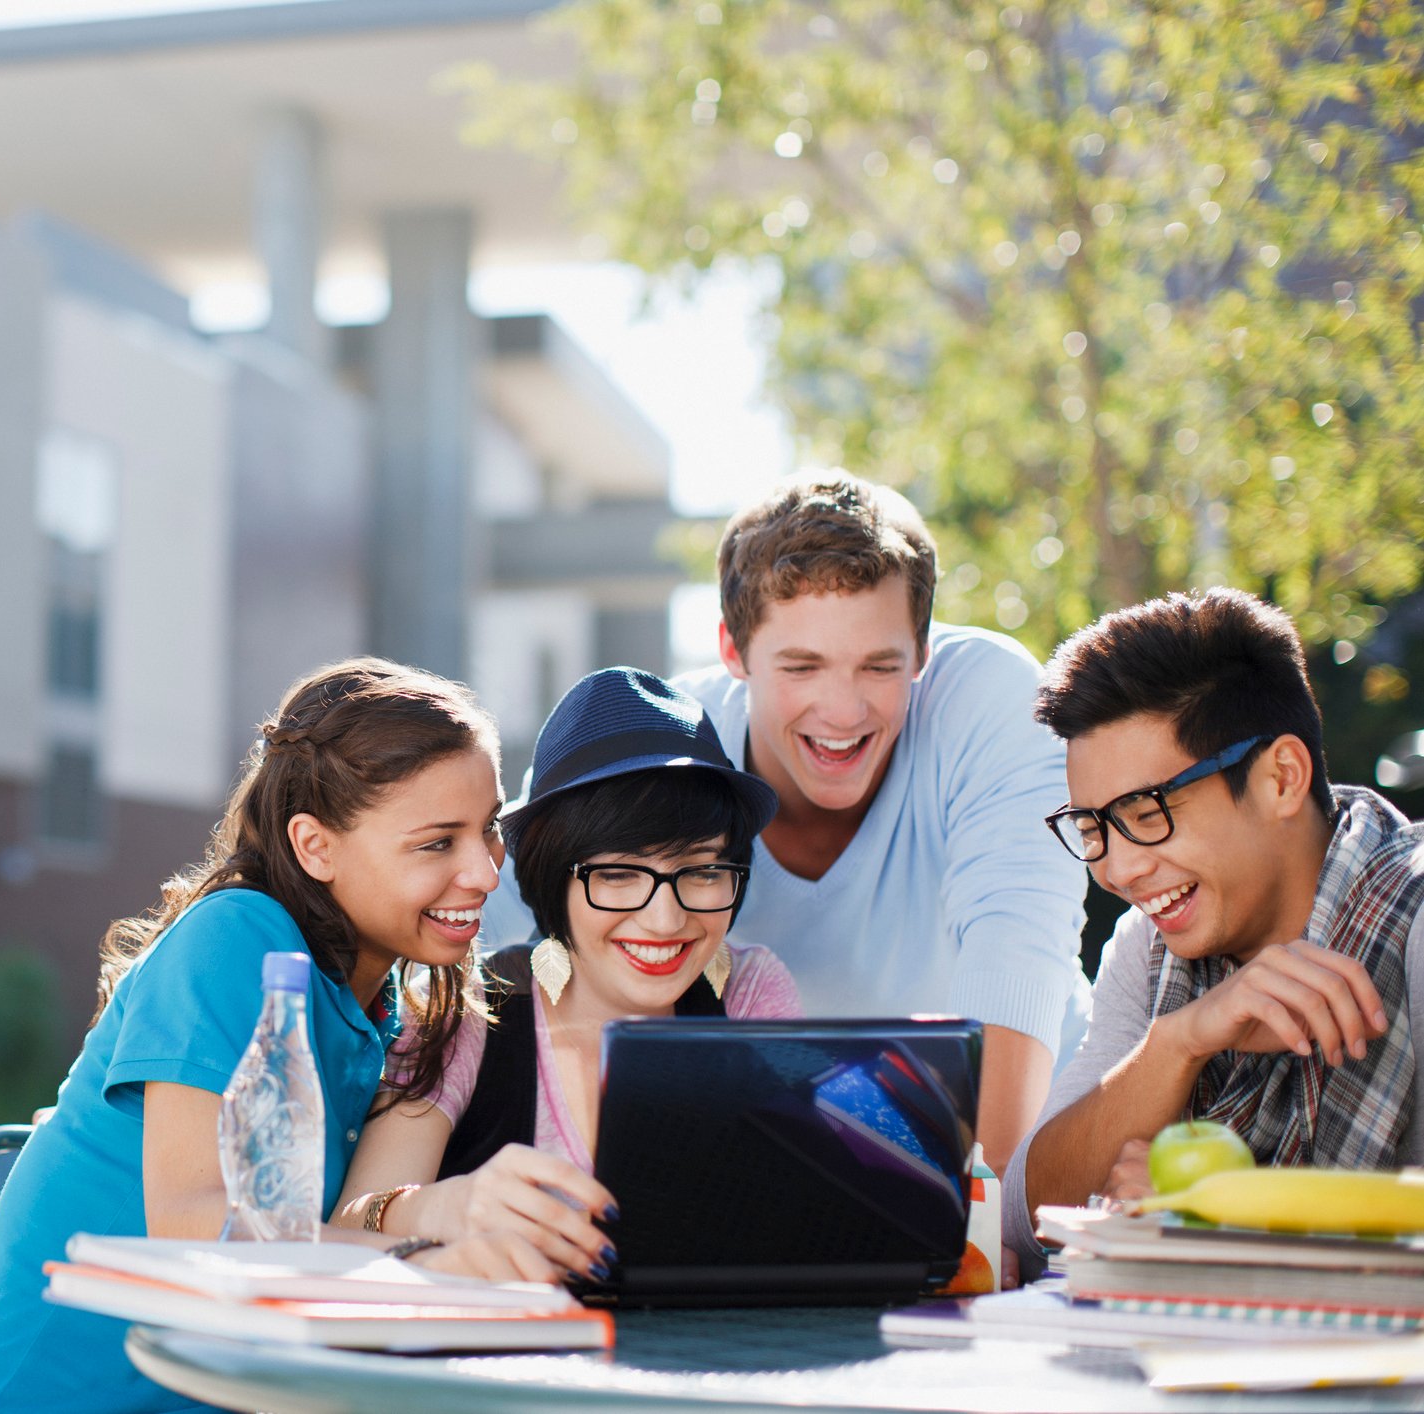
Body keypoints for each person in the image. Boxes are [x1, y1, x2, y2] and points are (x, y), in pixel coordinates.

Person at [0, 659, 556, 1414]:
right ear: (314, 846)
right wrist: (435, 1259)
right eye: (436, 844)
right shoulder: (237, 936)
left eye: (487, 832)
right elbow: (199, 1225)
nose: (484, 873)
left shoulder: (384, 1005)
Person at [484, 473, 1088, 1173]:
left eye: (879, 666)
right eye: (801, 666)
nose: (842, 711)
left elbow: (1016, 946)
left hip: (1026, 1138)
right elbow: (497, 891)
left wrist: (986, 1211)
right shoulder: (669, 741)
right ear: (732, 651)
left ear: (921, 650)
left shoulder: (989, 696)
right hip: (792, 1145)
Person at [1004, 588, 1423, 1281]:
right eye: (1090, 828)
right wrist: (1175, 1044)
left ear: (1280, 778)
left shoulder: (1410, 918)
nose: (1116, 867)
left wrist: (1227, 1220)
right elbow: (1026, 1211)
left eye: (1144, 812)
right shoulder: (1147, 949)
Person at [330, 668, 801, 1280]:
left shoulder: (750, 992)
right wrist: (442, 1213)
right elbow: (349, 1223)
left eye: (703, 872)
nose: (665, 919)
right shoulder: (470, 1008)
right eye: (617, 875)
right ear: (554, 877)